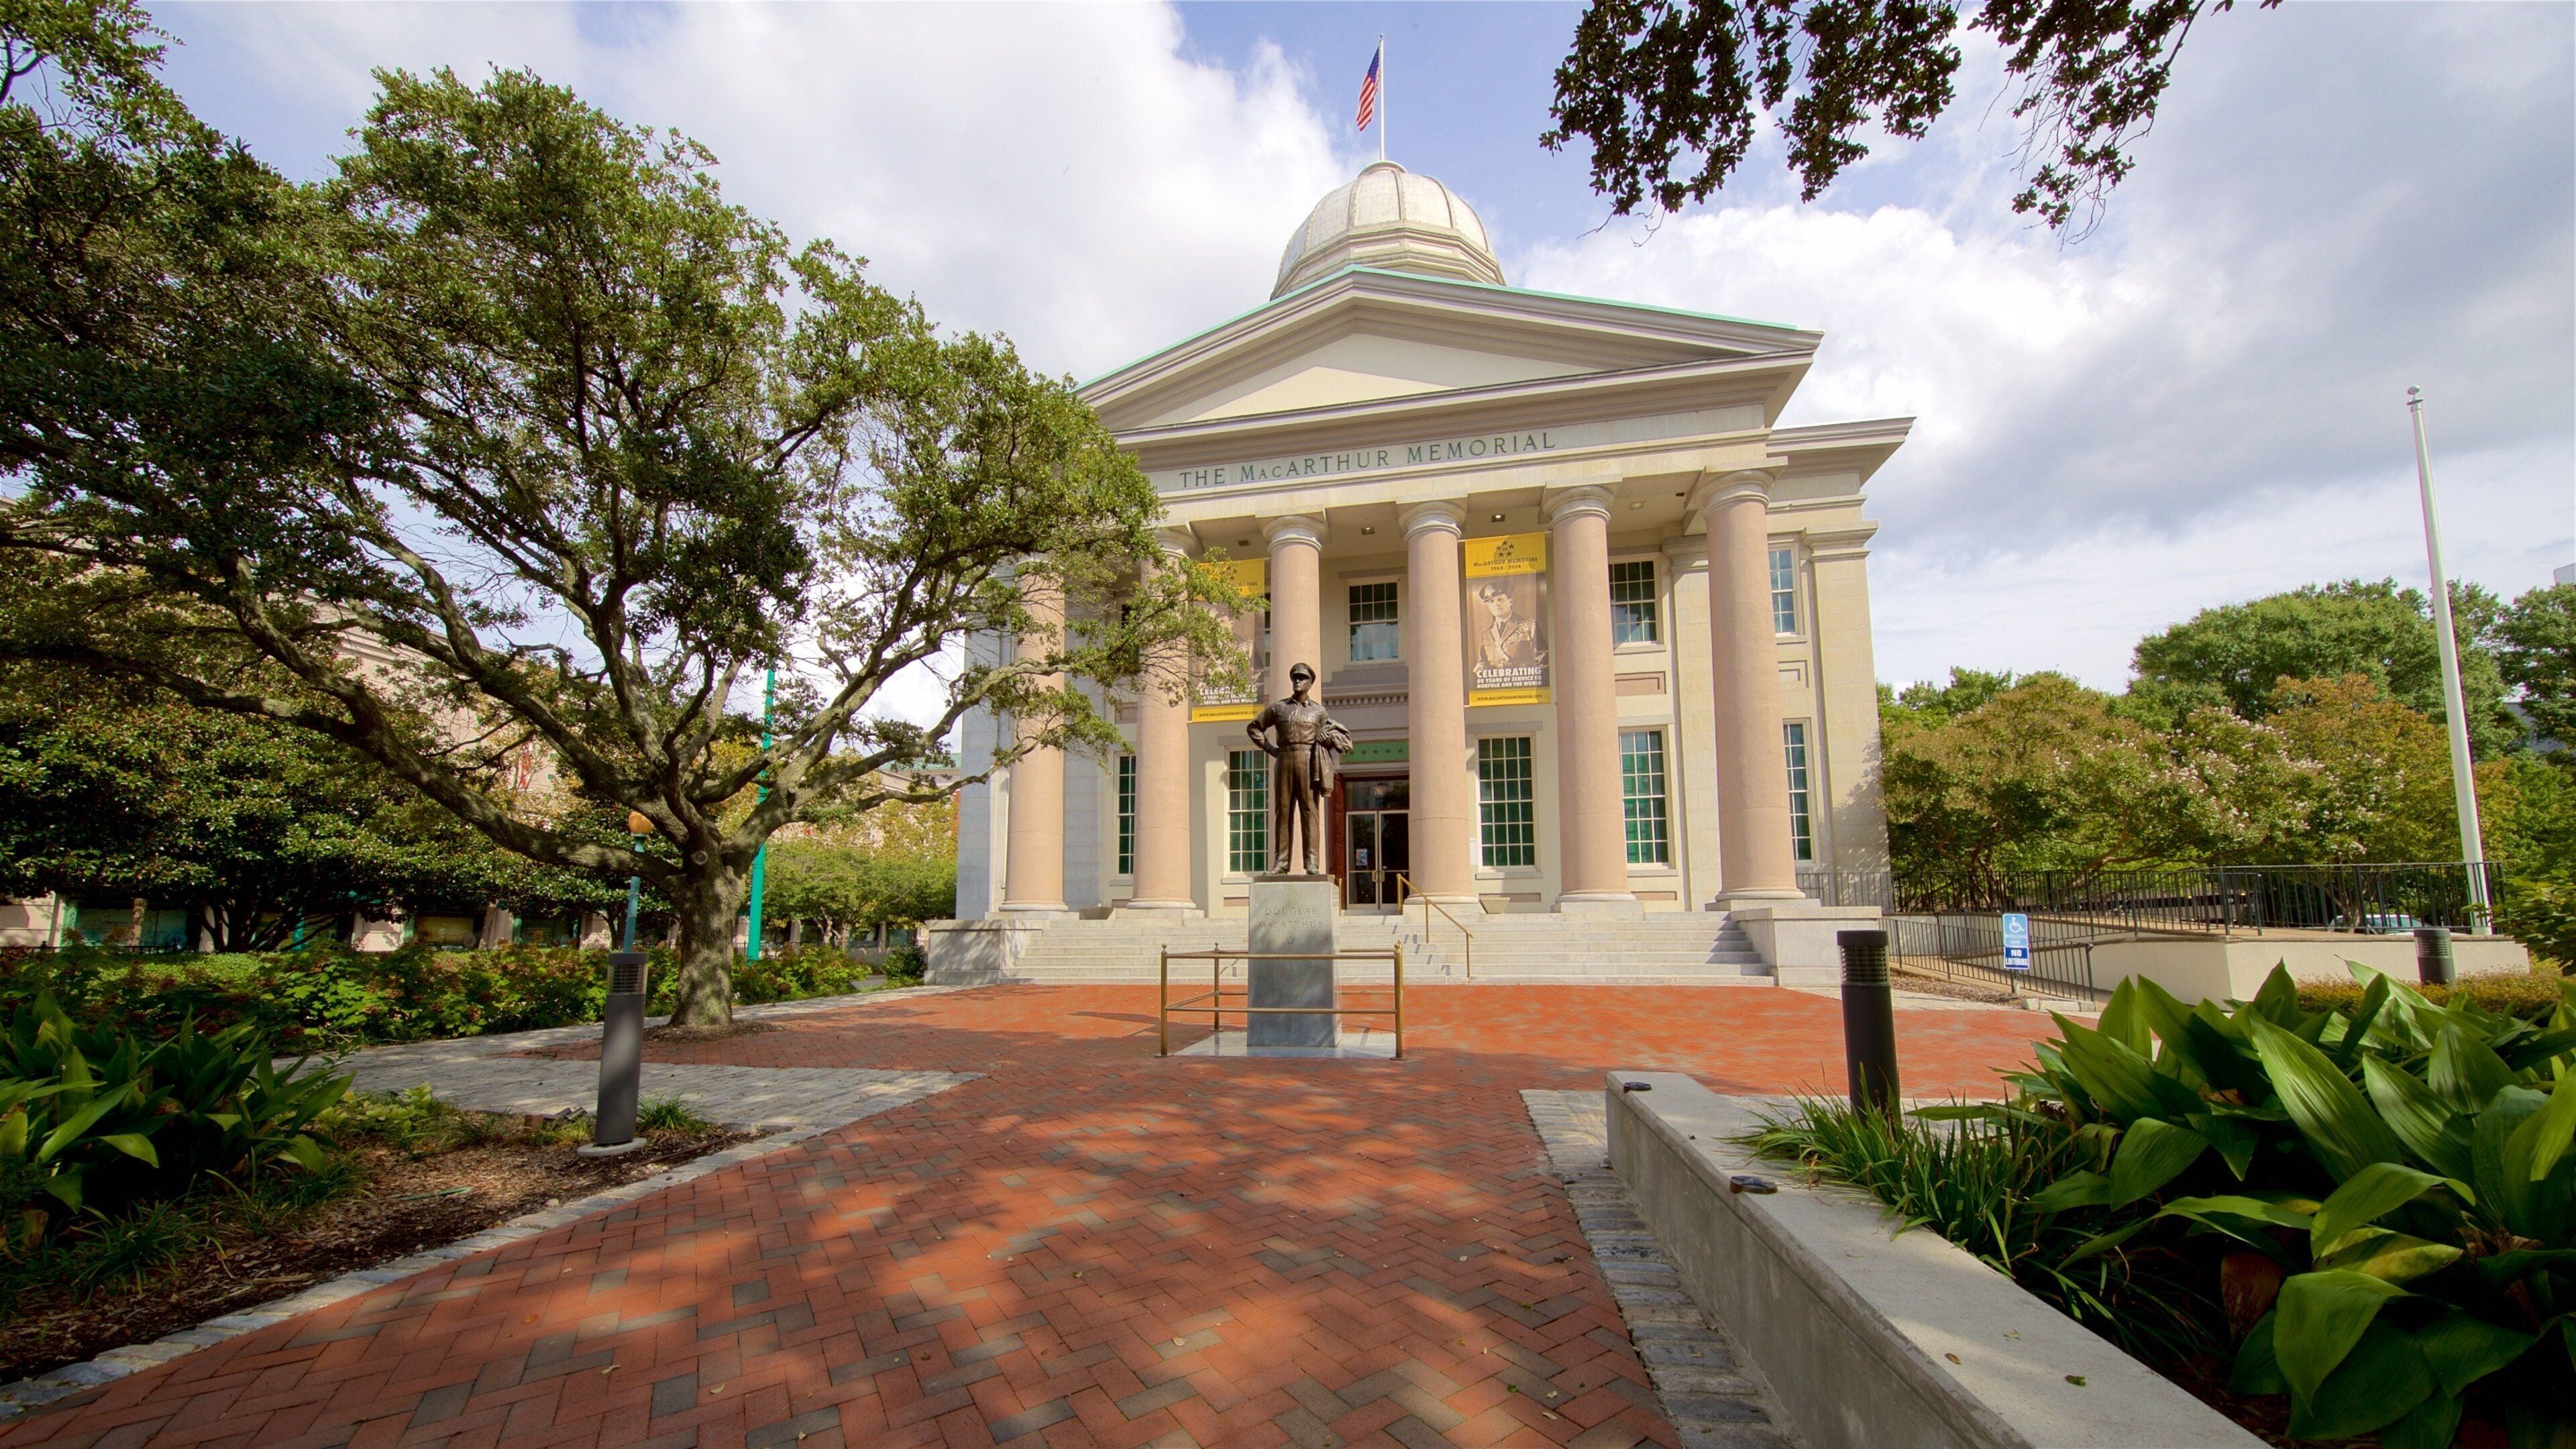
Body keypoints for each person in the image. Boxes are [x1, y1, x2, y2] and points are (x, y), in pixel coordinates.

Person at [1244, 662, 1352, 876]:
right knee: (1283, 812)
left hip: (1309, 760)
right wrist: (1270, 749)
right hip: (1284, 759)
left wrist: (1327, 738)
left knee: (1309, 811)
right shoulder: (1278, 708)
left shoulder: (1319, 712)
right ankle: (1281, 863)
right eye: (1295, 677)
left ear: (1310, 683)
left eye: (1302, 678)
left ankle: (1312, 862)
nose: (1297, 681)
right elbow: (1254, 727)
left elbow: (1334, 739)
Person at [1476, 582, 1542, 672]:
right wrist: (1481, 668)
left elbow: (1543, 663)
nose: (1496, 604)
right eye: (1491, 601)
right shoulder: (1486, 634)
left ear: (1510, 601)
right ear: (1488, 606)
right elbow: (1483, 662)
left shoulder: (1530, 626)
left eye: (1500, 599)